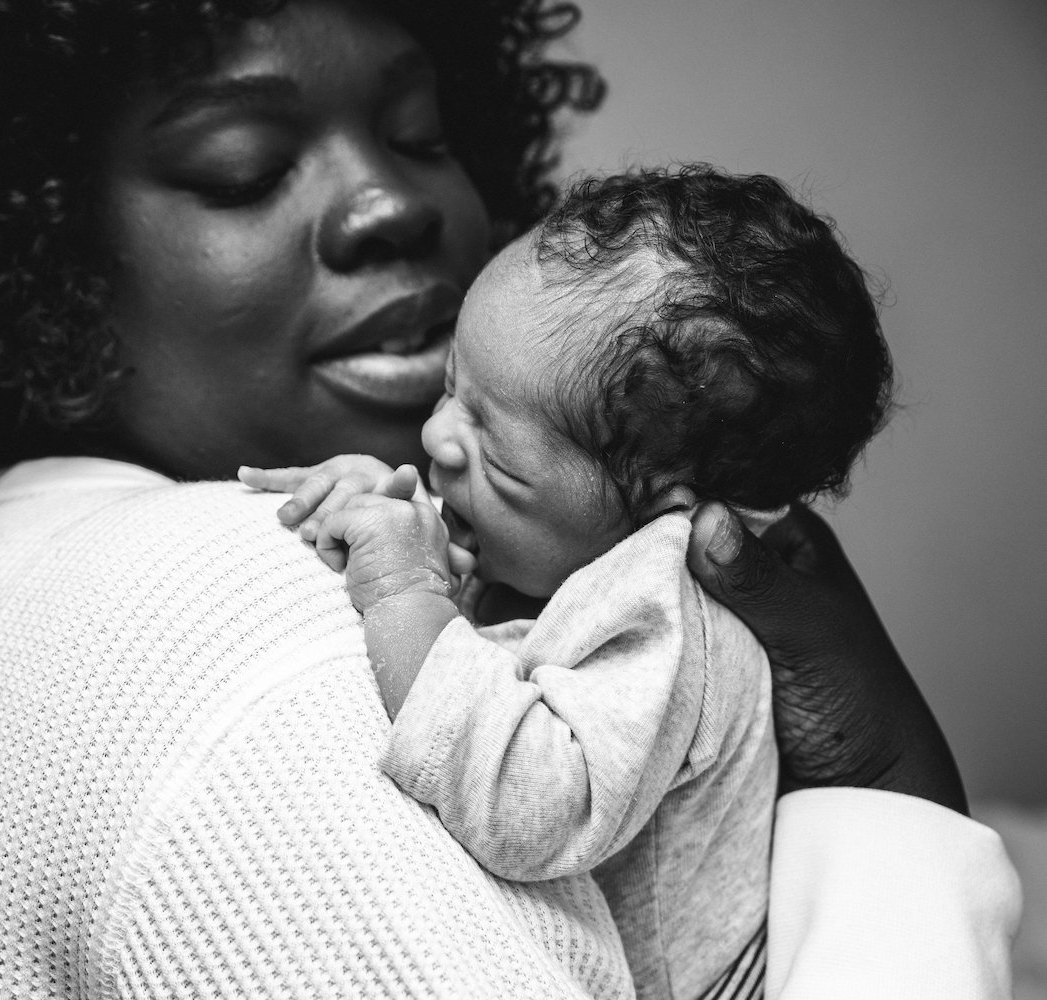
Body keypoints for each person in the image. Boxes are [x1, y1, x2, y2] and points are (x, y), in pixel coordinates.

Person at [0, 1, 1010, 998]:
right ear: (30, 268)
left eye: (418, 127)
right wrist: (895, 809)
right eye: (242, 165)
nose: (391, 205)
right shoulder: (258, 638)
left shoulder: (21, 568)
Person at [241, 165, 896, 1000]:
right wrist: (398, 531)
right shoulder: (561, 554)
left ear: (663, 509)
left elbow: (532, 803)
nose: (439, 436)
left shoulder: (662, 613)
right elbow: (499, 648)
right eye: (453, 387)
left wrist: (405, 596)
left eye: (499, 456)